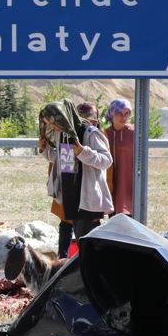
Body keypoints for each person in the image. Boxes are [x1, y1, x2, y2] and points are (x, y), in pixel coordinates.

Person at [37, 100, 113, 258]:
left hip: (87, 196)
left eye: (52, 123)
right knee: (85, 241)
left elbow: (106, 160)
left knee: (86, 242)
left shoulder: (90, 132)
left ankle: (92, 273)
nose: (52, 127)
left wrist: (83, 152)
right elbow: (60, 159)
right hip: (70, 194)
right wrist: (45, 150)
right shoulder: (62, 134)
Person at [104, 97, 135, 216]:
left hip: (129, 180)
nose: (124, 117)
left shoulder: (134, 132)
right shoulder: (106, 134)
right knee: (113, 215)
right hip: (111, 179)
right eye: (119, 113)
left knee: (130, 216)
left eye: (127, 114)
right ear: (112, 114)